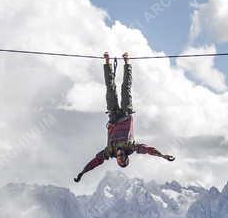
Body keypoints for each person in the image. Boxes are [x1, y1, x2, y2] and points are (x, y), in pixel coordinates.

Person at [74, 52, 175, 183]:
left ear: (116, 157)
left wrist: (82, 173)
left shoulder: (109, 151)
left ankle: (107, 62)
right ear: (126, 156)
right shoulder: (131, 147)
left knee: (110, 89)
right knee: (125, 88)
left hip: (114, 115)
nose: (120, 155)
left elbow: (96, 162)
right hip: (126, 114)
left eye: (119, 157)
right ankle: (127, 63)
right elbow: (148, 150)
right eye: (123, 157)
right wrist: (162, 155)